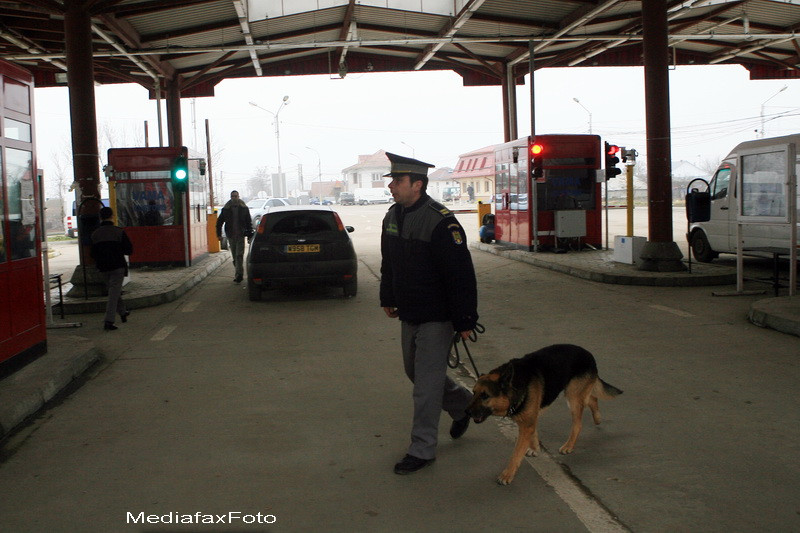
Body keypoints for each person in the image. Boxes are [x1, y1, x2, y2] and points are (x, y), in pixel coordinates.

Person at [379, 152, 479, 475]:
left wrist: (464, 319)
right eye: (392, 181)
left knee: (424, 386)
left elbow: (460, 273)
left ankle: (422, 449)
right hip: (410, 312)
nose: (392, 186)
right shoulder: (392, 217)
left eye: (397, 181)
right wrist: (388, 295)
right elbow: (388, 262)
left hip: (438, 315)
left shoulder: (441, 221)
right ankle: (464, 405)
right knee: (416, 372)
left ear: (417, 185)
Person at [90, 207, 133, 331]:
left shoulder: (95, 234)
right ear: (112, 216)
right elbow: (129, 250)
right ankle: (108, 321)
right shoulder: (119, 232)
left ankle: (123, 312)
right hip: (117, 266)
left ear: (100, 217)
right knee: (113, 294)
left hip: (103, 268)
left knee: (113, 291)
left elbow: (92, 254)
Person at [216, 190, 253, 283]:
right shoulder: (226, 209)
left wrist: (249, 235)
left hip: (241, 235)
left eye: (236, 196)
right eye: (232, 196)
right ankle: (238, 270)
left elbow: (248, 222)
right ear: (230, 197)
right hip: (231, 235)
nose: (234, 198)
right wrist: (219, 234)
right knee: (234, 256)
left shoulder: (244, 208)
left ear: (238, 196)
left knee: (239, 255)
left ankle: (239, 275)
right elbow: (219, 222)